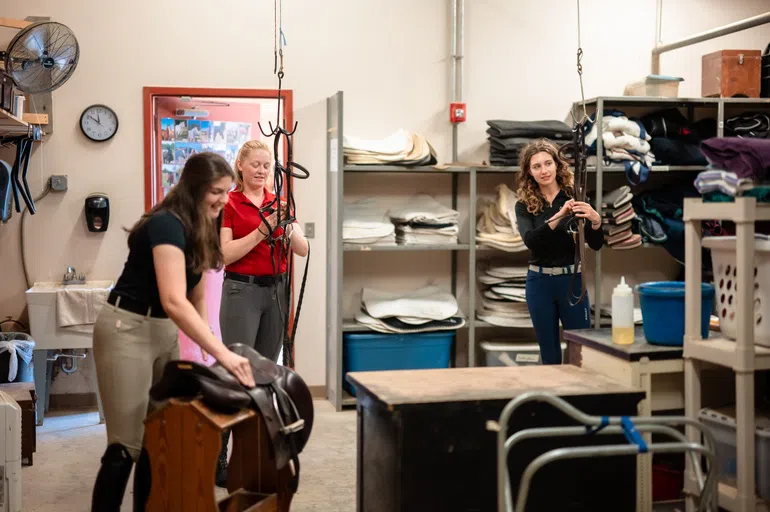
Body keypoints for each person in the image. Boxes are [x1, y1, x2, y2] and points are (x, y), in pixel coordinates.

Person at [90, 152, 256, 512]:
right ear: (194, 187)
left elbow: (197, 299)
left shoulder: (206, 223)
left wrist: (210, 353)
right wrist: (225, 354)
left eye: (227, 191)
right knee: (125, 446)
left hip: (163, 332)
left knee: (159, 435)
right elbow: (173, 299)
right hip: (125, 329)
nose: (223, 200)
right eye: (216, 191)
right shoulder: (166, 223)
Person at [215, 139, 309, 485]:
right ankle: (219, 461)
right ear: (240, 165)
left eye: (266, 166)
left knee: (267, 374)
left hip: (276, 291)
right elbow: (224, 255)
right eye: (255, 164)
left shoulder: (279, 203)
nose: (261, 170)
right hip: (241, 290)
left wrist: (286, 226)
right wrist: (261, 231)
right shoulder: (230, 203)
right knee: (237, 372)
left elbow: (302, 249)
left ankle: (260, 453)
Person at [514, 138, 604, 365]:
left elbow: (595, 244)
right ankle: (553, 399)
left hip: (572, 281)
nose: (544, 170)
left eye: (548, 163)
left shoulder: (575, 195)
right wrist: (561, 214)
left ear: (557, 165)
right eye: (536, 166)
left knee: (580, 349)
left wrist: (595, 221)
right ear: (529, 172)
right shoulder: (524, 204)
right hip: (540, 283)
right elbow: (532, 241)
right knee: (549, 351)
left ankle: (579, 398)